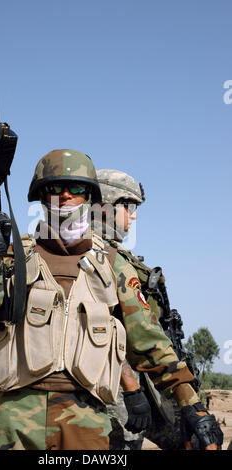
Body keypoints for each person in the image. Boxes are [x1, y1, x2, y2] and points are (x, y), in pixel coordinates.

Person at [0, 150, 222, 451]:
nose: (66, 196)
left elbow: (149, 344)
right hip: (11, 421)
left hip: (86, 422)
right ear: (41, 196)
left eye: (77, 188)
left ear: (90, 197)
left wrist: (193, 406)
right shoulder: (11, 257)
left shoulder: (112, 264)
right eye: (56, 188)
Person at [95, 168, 223, 450]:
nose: (134, 216)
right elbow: (143, 335)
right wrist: (188, 400)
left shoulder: (112, 255)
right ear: (105, 207)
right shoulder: (103, 257)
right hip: (115, 391)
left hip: (140, 385)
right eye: (128, 207)